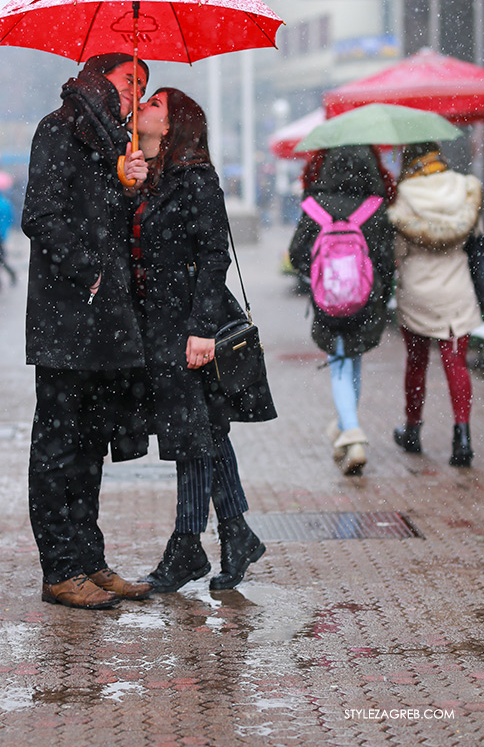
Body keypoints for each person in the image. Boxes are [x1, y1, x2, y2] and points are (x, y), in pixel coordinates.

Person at [129, 87, 276, 592]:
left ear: (171, 125)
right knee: (205, 432)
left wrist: (201, 330)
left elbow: (215, 256)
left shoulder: (196, 178)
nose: (141, 105)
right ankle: (236, 535)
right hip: (161, 325)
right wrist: (130, 185)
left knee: (194, 434)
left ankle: (188, 545)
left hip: (190, 325)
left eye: (153, 104)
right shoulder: (152, 178)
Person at [21, 52, 154, 610]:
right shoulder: (58, 130)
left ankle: (89, 560)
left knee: (91, 449)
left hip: (106, 325)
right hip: (66, 320)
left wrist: (129, 190)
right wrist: (91, 272)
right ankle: (60, 570)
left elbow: (109, 223)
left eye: (143, 87)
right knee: (58, 447)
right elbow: (40, 215)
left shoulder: (114, 144)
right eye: (129, 81)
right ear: (100, 78)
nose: (136, 96)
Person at [289, 146, 395, 475]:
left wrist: (319, 274)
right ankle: (346, 427)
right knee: (355, 359)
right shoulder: (374, 208)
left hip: (328, 301)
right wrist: (379, 290)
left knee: (337, 362)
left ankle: (352, 433)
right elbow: (386, 261)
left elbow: (296, 254)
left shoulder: (315, 206)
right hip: (366, 299)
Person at [388, 142, 482, 467]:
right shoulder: (464, 187)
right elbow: (475, 240)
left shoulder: (404, 195)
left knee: (416, 363)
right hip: (456, 289)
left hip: (418, 290)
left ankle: (413, 430)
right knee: (455, 362)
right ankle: (463, 437)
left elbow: (399, 252)